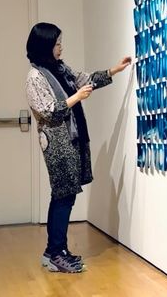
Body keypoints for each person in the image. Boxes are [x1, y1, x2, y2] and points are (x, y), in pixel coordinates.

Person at [25, 22, 131, 273]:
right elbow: (50, 111)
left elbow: (86, 80)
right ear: (45, 46)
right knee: (63, 194)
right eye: (57, 44)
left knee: (65, 195)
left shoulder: (60, 69)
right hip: (57, 144)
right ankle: (54, 253)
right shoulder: (35, 77)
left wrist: (114, 70)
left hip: (72, 139)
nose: (61, 48)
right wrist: (75, 98)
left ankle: (56, 250)